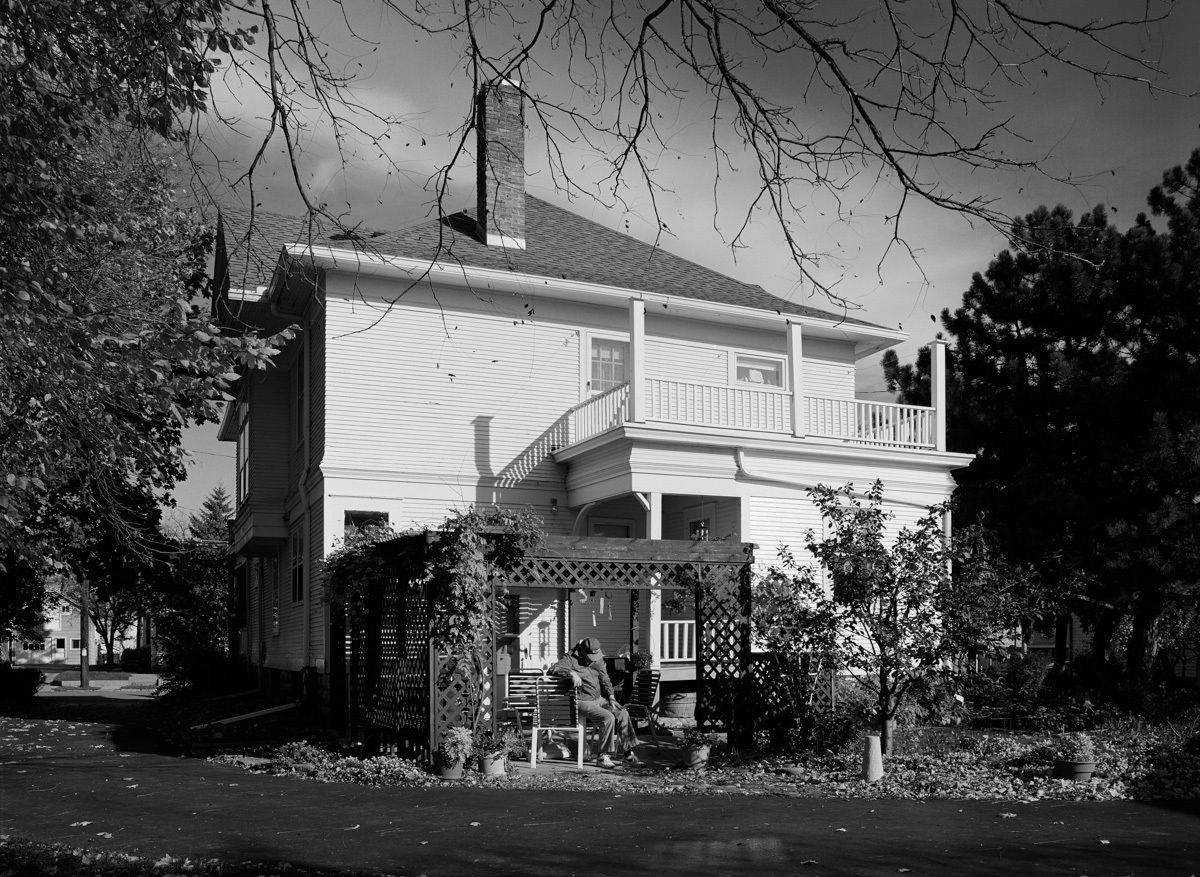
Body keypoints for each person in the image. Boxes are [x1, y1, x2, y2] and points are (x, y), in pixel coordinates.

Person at [550, 636, 639, 768]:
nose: (594, 659)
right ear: (583, 651)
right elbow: (553, 669)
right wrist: (571, 673)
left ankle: (628, 755)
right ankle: (603, 757)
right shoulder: (570, 658)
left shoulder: (598, 658)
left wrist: (611, 697)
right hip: (580, 700)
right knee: (608, 717)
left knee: (622, 713)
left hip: (599, 699)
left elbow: (605, 679)